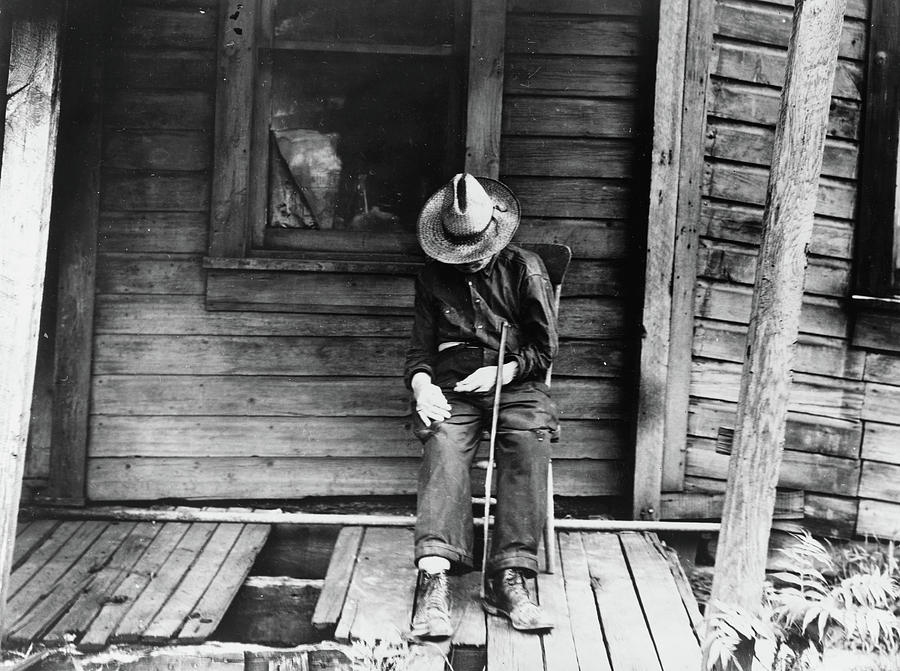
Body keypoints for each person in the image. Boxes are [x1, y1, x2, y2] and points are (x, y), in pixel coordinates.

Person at [404, 173, 558, 638]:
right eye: (459, 254)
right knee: (443, 442)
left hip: (515, 380)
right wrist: (421, 387)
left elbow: (545, 350)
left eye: (477, 252)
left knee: (528, 441)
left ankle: (512, 577)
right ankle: (434, 580)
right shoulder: (432, 279)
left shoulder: (525, 269)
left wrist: (504, 372)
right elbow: (419, 353)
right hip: (453, 382)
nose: (468, 263)